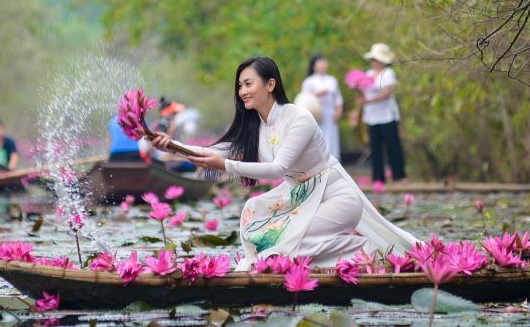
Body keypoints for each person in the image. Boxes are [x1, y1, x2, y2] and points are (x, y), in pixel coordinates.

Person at [150, 56, 417, 270]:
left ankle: (361, 249)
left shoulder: (298, 118)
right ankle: (338, 247)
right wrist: (171, 145)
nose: (242, 91)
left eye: (248, 84)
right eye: (240, 85)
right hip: (301, 199)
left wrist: (226, 166)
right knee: (259, 229)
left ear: (270, 84)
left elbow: (278, 168)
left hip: (336, 200)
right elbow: (214, 150)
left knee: (282, 249)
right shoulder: (256, 127)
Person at [352, 43, 406, 183]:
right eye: (373, 60)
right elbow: (362, 96)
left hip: (387, 116)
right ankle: (378, 178)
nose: (374, 62)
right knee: (375, 148)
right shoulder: (368, 74)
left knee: (392, 146)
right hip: (372, 117)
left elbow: (386, 93)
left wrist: (369, 101)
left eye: (377, 59)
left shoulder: (388, 73)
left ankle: (399, 176)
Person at [301, 53, 343, 159]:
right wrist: (318, 94)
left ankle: (333, 166)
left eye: (324, 62)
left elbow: (338, 99)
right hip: (316, 116)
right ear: (313, 66)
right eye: (320, 63)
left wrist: (338, 111)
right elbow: (304, 100)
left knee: (332, 141)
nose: (323, 65)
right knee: (319, 140)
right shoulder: (309, 81)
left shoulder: (332, 80)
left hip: (330, 115)